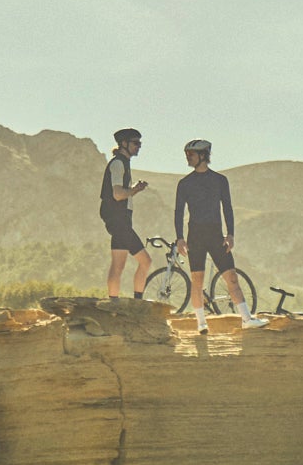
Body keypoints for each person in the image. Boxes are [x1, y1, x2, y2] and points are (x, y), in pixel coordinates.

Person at [173, 138, 262, 330]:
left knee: (231, 277)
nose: (187, 158)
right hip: (195, 235)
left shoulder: (220, 180)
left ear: (203, 155)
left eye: (191, 154)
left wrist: (230, 234)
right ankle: (201, 323)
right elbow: (178, 212)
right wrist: (179, 237)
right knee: (197, 280)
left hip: (215, 234)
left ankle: (247, 319)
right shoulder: (185, 183)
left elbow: (227, 208)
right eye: (186, 154)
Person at [101, 128, 153, 298]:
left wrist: (134, 190)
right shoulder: (118, 164)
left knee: (133, 263)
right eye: (135, 143)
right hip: (119, 221)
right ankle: (121, 301)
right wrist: (135, 189)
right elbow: (117, 194)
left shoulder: (123, 163)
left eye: (140, 143)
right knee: (126, 264)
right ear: (124, 144)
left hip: (121, 221)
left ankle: (124, 301)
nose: (139, 146)